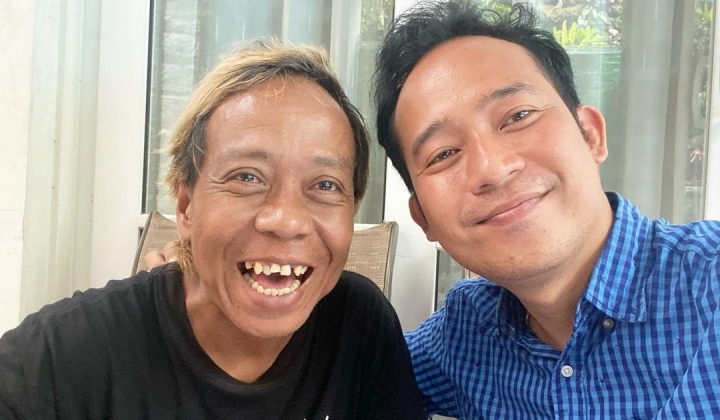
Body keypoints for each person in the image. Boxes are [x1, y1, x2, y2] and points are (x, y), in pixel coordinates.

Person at [0, 40, 426, 420]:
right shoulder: (59, 361)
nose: (287, 220)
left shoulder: (357, 327)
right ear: (186, 208)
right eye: (247, 177)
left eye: (325, 185)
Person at [374, 1, 720, 418]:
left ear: (590, 134)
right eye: (443, 153)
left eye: (518, 116)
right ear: (423, 218)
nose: (492, 168)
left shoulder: (710, 286)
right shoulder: (464, 333)